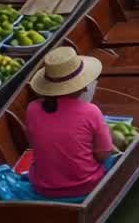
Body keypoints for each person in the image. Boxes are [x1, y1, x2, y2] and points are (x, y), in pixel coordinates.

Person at [24, 47, 115, 202]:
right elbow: (103, 154)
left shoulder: (32, 109)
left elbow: (34, 143)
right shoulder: (91, 111)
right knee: (114, 159)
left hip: (42, 188)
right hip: (86, 186)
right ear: (83, 85)